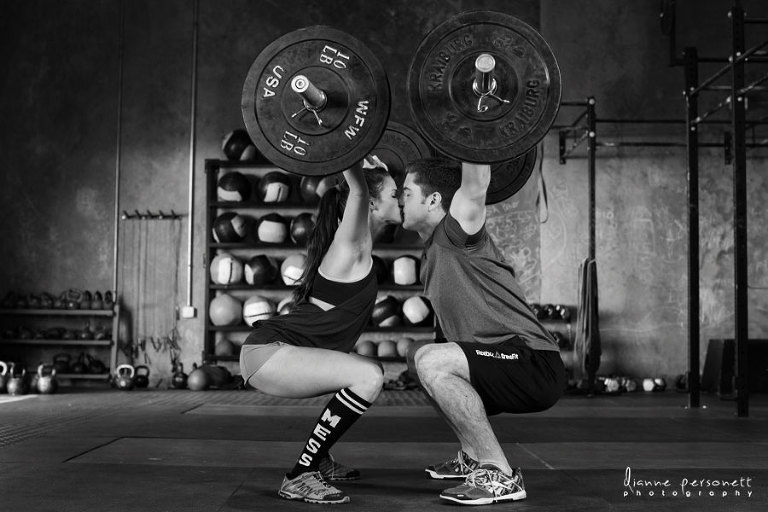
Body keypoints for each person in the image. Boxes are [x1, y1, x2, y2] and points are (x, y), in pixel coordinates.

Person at [399, 157, 566, 506]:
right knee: (416, 355)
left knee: (431, 361)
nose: (400, 199)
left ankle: (499, 474)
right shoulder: (431, 253)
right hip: (497, 362)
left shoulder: (457, 231)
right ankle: (472, 457)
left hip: (531, 362)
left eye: (406, 192)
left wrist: (476, 121)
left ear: (433, 201)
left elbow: (475, 183)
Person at [239, 156, 401, 505]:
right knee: (369, 376)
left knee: (364, 370)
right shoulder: (350, 247)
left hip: (277, 351)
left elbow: (361, 189)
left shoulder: (359, 250)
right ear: (371, 203)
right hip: (267, 353)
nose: (399, 198)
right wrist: (348, 145)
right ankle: (300, 475)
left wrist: (377, 168)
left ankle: (321, 460)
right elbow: (357, 187)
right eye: (394, 192)